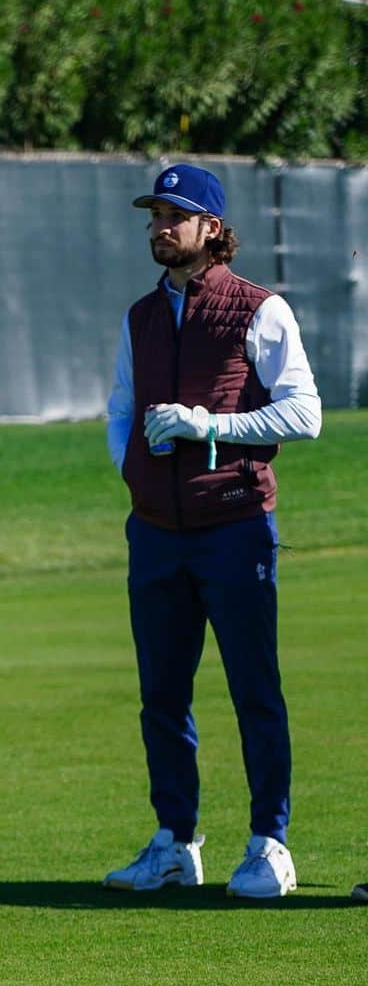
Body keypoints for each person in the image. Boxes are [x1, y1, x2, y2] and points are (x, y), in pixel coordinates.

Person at [103, 163, 321, 900]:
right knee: (161, 695)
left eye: (175, 216)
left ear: (212, 228)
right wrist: (133, 470)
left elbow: (304, 414)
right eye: (154, 216)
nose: (159, 228)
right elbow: (121, 412)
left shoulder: (260, 309)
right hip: (156, 531)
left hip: (235, 525)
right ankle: (175, 843)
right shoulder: (139, 316)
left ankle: (270, 844)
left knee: (254, 690)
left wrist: (211, 426)